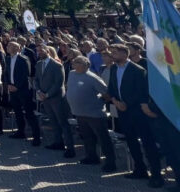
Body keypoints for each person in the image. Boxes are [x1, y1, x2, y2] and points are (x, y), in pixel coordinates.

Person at [107, 44, 164, 187]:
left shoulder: (138, 70)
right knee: (131, 141)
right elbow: (112, 88)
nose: (112, 55)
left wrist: (126, 103)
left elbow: (142, 92)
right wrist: (115, 100)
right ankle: (140, 169)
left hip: (138, 112)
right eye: (111, 52)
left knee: (147, 142)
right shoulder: (113, 69)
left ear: (125, 54)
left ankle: (156, 174)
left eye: (115, 52)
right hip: (123, 112)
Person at [65, 55, 116, 172]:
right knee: (87, 137)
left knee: (103, 138)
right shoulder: (72, 74)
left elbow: (106, 94)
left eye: (77, 62)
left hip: (94, 113)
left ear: (85, 65)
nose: (74, 63)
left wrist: (98, 102)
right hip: (79, 112)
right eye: (74, 61)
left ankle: (110, 162)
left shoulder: (93, 78)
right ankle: (91, 156)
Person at [34, 45, 75, 158]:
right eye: (38, 51)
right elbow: (36, 80)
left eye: (41, 51)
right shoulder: (38, 64)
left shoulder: (57, 65)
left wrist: (47, 94)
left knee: (63, 122)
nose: (39, 53)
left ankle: (70, 148)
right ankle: (58, 143)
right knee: (53, 122)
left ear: (48, 51)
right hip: (44, 98)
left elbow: (58, 83)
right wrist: (39, 91)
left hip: (56, 98)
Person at [4, 42, 40, 145]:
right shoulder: (8, 58)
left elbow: (25, 75)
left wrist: (17, 86)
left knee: (29, 113)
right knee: (17, 112)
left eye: (9, 46)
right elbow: (6, 73)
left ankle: (36, 136)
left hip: (23, 90)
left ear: (16, 48)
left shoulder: (23, 59)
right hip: (12, 89)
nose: (7, 47)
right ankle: (21, 131)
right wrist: (9, 85)